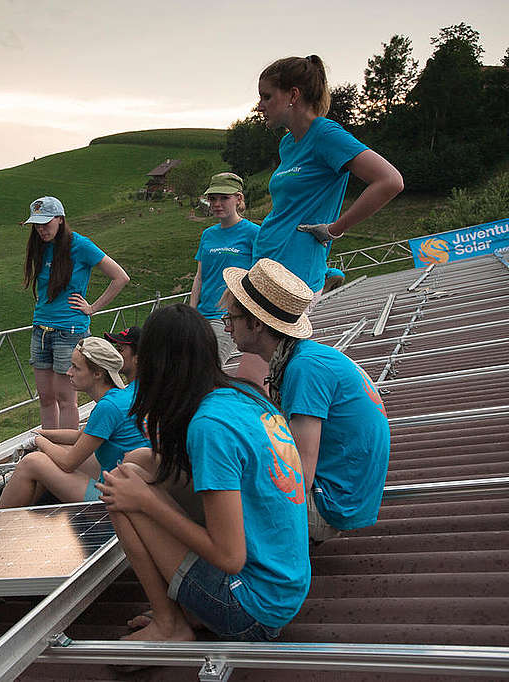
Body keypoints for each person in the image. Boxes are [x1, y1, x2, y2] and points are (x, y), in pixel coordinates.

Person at [97, 304, 310, 642]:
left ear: (157, 365)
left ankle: (170, 625)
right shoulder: (243, 394)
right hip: (283, 585)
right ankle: (184, 609)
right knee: (139, 461)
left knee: (122, 489)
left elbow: (229, 556)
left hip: (251, 612)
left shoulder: (209, 427)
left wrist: (147, 503)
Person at [221, 258, 390, 543]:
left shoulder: (304, 370)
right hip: (345, 492)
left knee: (209, 482)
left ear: (256, 323)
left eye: (231, 319)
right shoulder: (306, 358)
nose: (227, 328)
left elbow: (299, 477)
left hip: (330, 506)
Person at [254, 55, 403, 300]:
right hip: (270, 261)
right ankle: (329, 275)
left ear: (293, 95)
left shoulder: (326, 134)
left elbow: (390, 181)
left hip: (298, 272)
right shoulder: (288, 143)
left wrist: (336, 229)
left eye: (267, 96)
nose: (260, 106)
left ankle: (324, 277)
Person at [0, 337, 149, 511]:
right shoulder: (121, 396)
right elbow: (81, 436)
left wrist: (39, 442)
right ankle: (0, 498)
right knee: (54, 452)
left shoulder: (108, 407)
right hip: (130, 487)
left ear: (97, 373)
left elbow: (68, 463)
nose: (68, 372)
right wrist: (41, 434)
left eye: (76, 367)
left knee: (34, 461)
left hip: (115, 500)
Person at [23, 196, 130, 430]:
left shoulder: (80, 245)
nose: (41, 229)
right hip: (40, 329)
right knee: (45, 397)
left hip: (69, 331)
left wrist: (92, 308)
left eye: (46, 223)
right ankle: (49, 449)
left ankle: (68, 454)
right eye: (37, 224)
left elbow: (120, 277)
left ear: (60, 220)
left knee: (65, 398)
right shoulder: (40, 246)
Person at [188, 172, 270, 388]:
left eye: (224, 198)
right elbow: (200, 276)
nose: (217, 204)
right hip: (202, 315)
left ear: (238, 199)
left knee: (207, 370)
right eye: (213, 198)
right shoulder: (208, 235)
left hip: (228, 317)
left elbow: (260, 276)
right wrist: (191, 311)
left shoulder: (254, 233)